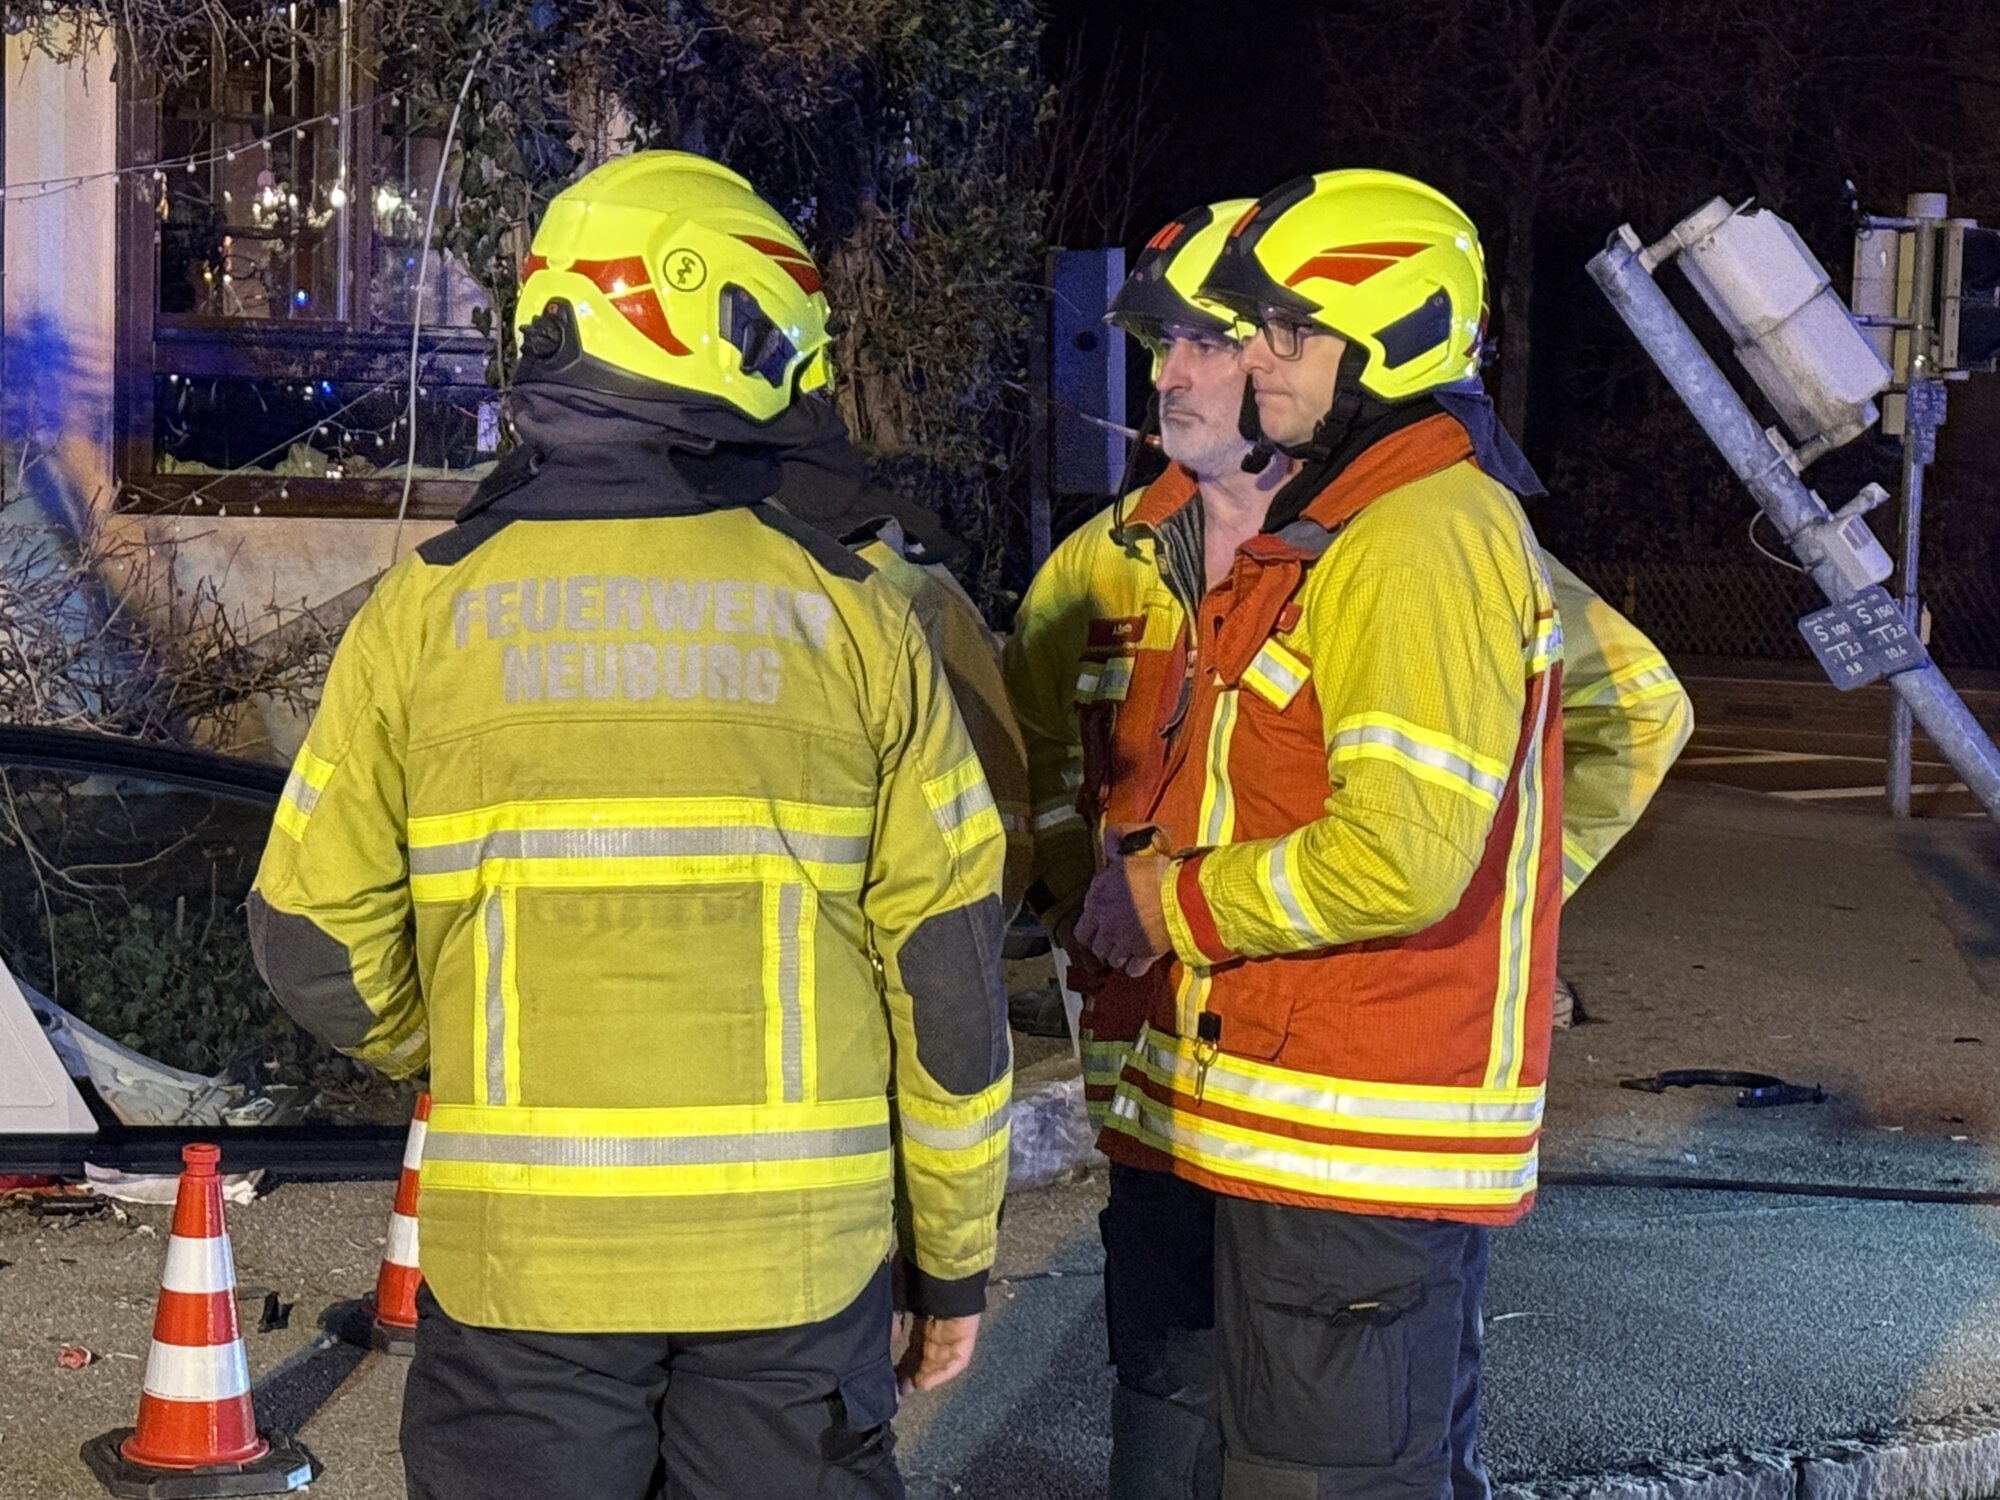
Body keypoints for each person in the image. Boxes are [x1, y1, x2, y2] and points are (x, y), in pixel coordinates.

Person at [247, 149, 1011, 1500]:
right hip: (795, 1274)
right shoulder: (855, 616)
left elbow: (311, 940)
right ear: (720, 326)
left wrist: (468, 1036)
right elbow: (947, 983)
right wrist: (950, 1259)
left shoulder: (424, 613)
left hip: (524, 1270)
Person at [1004, 172, 1685, 1500]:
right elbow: (1044, 772)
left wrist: (1494, 912)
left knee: (1328, 1465)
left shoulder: (1410, 534)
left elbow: (1625, 722)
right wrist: (1089, 905)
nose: (1183, 372)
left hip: (1341, 1121)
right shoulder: (1124, 553)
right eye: (1176, 341)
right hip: (1180, 1098)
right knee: (1180, 1438)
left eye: (1227, 338)